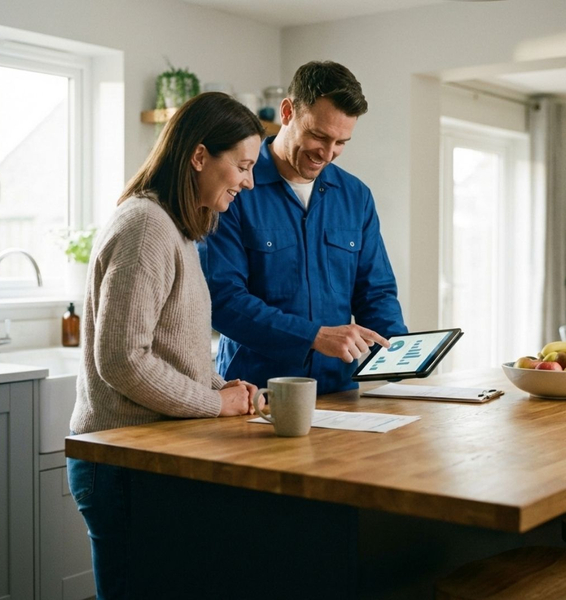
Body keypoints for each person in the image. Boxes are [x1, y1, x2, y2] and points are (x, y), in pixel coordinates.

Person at [67, 92, 265, 599]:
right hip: (122, 463)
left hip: (148, 458)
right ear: (199, 156)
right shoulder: (146, 227)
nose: (248, 181)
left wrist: (223, 387)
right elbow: (122, 360)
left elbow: (174, 346)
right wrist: (211, 403)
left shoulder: (178, 229)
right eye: (242, 166)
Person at [201, 61, 407, 395]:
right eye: (318, 135)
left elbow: (376, 293)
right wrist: (314, 337)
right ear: (287, 111)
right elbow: (222, 300)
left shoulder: (356, 197)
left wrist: (401, 355)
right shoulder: (234, 189)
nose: (327, 154)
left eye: (341, 142)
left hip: (338, 393)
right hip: (254, 395)